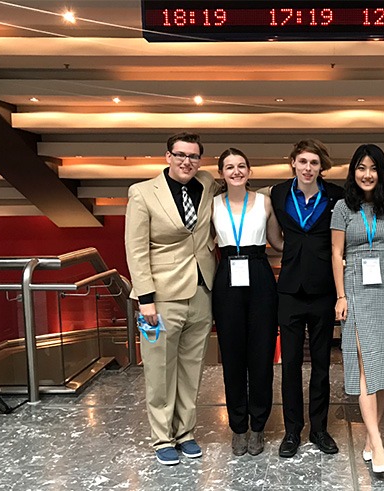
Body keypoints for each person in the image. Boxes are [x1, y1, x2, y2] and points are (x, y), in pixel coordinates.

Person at [125, 132, 217, 465]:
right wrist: (145, 299)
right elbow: (136, 250)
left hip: (202, 290)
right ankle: (162, 437)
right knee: (160, 368)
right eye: (180, 155)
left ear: (200, 161)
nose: (186, 162)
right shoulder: (142, 193)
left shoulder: (207, 183)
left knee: (192, 368)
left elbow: (239, 189)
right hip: (161, 296)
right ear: (167, 156)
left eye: (193, 156)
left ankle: (186, 432)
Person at [331, 144, 384, 474]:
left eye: (373, 168)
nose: (367, 174)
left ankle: (369, 440)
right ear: (353, 172)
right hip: (355, 287)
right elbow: (336, 254)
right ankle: (377, 442)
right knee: (365, 365)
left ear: (382, 172)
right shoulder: (342, 207)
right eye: (361, 168)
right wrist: (340, 296)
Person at [270, 139, 345, 458]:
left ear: (321, 167)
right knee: (289, 366)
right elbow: (275, 236)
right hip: (288, 290)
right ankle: (291, 432)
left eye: (314, 163)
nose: (308, 167)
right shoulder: (278, 193)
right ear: (293, 163)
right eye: (303, 161)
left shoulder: (336, 196)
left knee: (321, 365)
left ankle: (319, 429)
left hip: (323, 290)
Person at [211, 148, 284, 456]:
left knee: (261, 355)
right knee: (232, 356)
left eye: (242, 166)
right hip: (227, 274)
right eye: (230, 167)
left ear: (250, 171)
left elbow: (278, 242)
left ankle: (258, 426)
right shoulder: (213, 205)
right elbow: (203, 244)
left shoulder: (265, 203)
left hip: (259, 274)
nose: (237, 171)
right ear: (222, 173)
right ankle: (238, 427)